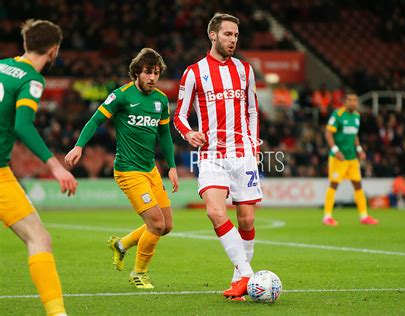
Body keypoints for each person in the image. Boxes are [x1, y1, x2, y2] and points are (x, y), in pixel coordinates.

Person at [65, 48, 178, 289]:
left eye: (156, 73)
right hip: (128, 170)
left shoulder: (160, 100)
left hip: (151, 170)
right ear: (137, 72)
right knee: (156, 225)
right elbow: (95, 119)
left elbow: (165, 134)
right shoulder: (121, 96)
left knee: (166, 226)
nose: (152, 78)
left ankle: (121, 244)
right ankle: (139, 272)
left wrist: (172, 167)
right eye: (148, 72)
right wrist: (79, 146)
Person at [174, 12, 261, 300]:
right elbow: (180, 116)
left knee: (246, 220)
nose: (233, 39)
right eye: (227, 34)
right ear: (213, 35)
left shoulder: (245, 70)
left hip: (243, 155)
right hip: (212, 155)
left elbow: (251, 111)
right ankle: (248, 274)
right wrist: (189, 134)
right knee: (214, 211)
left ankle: (239, 280)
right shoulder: (194, 72)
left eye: (236, 35)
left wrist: (254, 147)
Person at [0, 19, 78, 316]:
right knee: (39, 238)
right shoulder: (31, 79)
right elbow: (22, 124)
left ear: (25, 43)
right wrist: (55, 167)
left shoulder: (1, 66)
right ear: (54, 50)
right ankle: (57, 313)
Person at [323, 93, 378, 226]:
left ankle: (364, 216)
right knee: (334, 184)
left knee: (358, 185)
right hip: (339, 158)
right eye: (350, 100)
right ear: (345, 102)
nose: (353, 102)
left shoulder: (357, 116)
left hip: (352, 158)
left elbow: (354, 135)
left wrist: (359, 150)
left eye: (355, 100)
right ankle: (327, 216)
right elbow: (328, 133)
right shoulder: (338, 114)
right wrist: (335, 150)